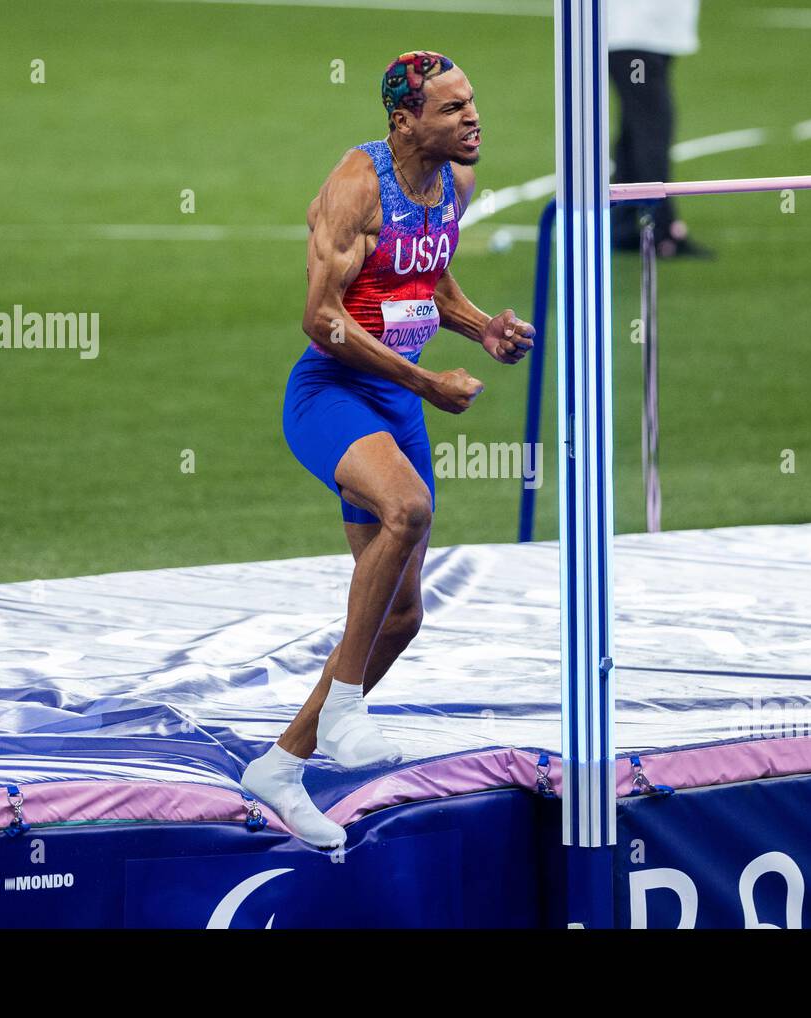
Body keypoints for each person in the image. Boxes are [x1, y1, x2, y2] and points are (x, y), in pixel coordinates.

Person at [241, 51, 535, 849]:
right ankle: (343, 709)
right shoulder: (356, 185)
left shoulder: (456, 183)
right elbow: (323, 318)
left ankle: (281, 765)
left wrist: (485, 329)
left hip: (397, 402)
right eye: (450, 109)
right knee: (406, 507)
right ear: (404, 121)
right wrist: (425, 379)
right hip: (332, 394)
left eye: (472, 102)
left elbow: (430, 284)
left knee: (402, 619)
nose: (472, 119)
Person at [608, 0, 710, 258]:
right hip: (635, 34)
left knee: (636, 128)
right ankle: (662, 230)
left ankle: (623, 221)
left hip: (643, 32)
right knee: (651, 128)